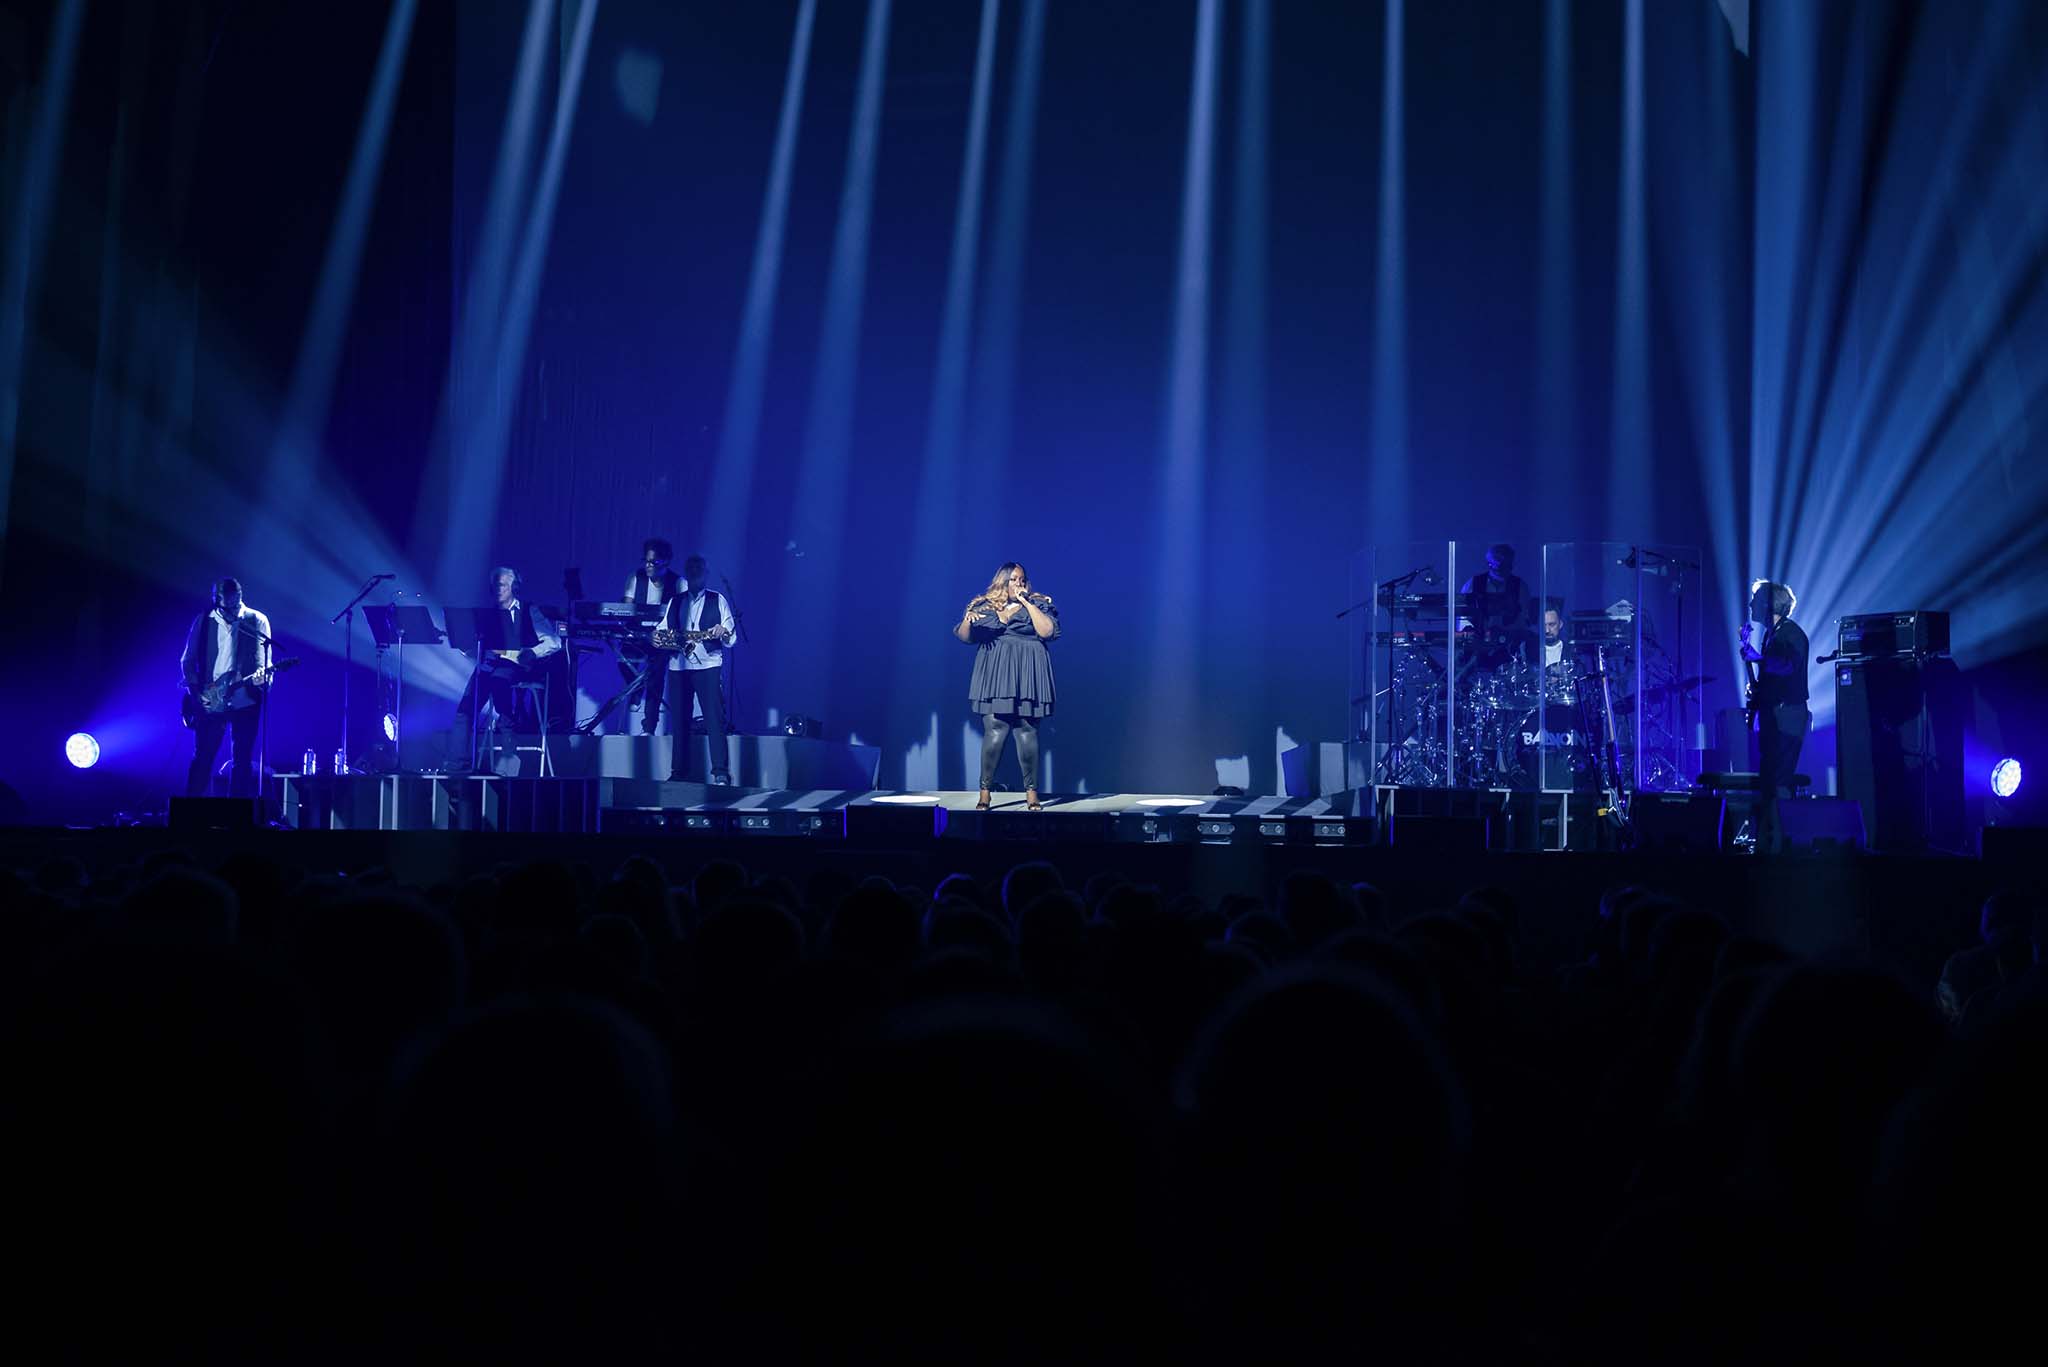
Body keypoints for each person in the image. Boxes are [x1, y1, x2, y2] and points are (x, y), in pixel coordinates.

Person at [955, 562, 1059, 810]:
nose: (1018, 583)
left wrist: (1026, 603)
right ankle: (985, 791)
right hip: (997, 671)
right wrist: (968, 621)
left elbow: (1047, 632)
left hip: (1028, 671)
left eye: (1022, 579)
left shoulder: (1038, 603)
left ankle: (1032, 793)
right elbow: (964, 636)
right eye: (1013, 579)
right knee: (995, 731)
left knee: (1027, 731)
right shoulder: (985, 606)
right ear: (1002, 581)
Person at [180, 577, 275, 797]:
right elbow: (187, 660)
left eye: (230, 601)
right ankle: (190, 816)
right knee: (203, 756)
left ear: (239, 596)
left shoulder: (256, 620)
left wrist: (263, 679)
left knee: (241, 760)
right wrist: (195, 693)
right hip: (210, 699)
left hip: (245, 699)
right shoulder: (203, 621)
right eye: (219, 601)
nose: (225, 606)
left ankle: (236, 819)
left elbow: (264, 663)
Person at [1739, 579, 1809, 854]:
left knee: (1778, 779)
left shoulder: (1790, 634)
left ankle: (1781, 843)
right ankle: (1769, 840)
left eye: (1755, 599)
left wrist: (1757, 658)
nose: (1751, 604)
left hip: (1787, 716)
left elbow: (1787, 666)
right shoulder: (1772, 634)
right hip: (1775, 714)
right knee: (1769, 779)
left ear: (1769, 604)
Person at [455, 566, 562, 742]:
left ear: (514, 588)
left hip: (519, 666)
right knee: (465, 708)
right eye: (494, 586)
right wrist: (465, 646)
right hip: (490, 665)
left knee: (498, 679)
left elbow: (554, 641)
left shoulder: (529, 610)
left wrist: (532, 652)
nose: (498, 589)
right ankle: (456, 764)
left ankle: (506, 729)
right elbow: (478, 649)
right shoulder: (487, 615)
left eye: (502, 585)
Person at [658, 554, 736, 785]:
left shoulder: (717, 599)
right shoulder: (676, 601)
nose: (694, 571)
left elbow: (732, 638)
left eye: (698, 567)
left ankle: (720, 771)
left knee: (714, 718)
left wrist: (724, 632)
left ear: (705, 572)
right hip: (678, 667)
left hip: (708, 665)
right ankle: (678, 772)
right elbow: (663, 630)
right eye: (690, 567)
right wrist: (657, 637)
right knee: (680, 720)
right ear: (686, 571)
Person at [621, 538, 680, 735]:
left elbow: (685, 616)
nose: (647, 566)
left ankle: (649, 727)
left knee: (657, 670)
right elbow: (625, 610)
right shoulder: (635, 578)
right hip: (639, 635)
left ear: (667, 562)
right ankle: (637, 688)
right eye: (645, 561)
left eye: (653, 562)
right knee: (623, 657)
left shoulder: (679, 583)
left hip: (664, 638)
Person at [1458, 543, 1534, 668]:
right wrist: (1470, 635)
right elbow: (1461, 614)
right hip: (1478, 647)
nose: (1503, 567)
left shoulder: (1520, 586)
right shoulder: (1473, 584)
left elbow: (1525, 617)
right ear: (1490, 563)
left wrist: (1511, 632)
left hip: (1509, 646)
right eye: (1499, 563)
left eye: (1506, 564)